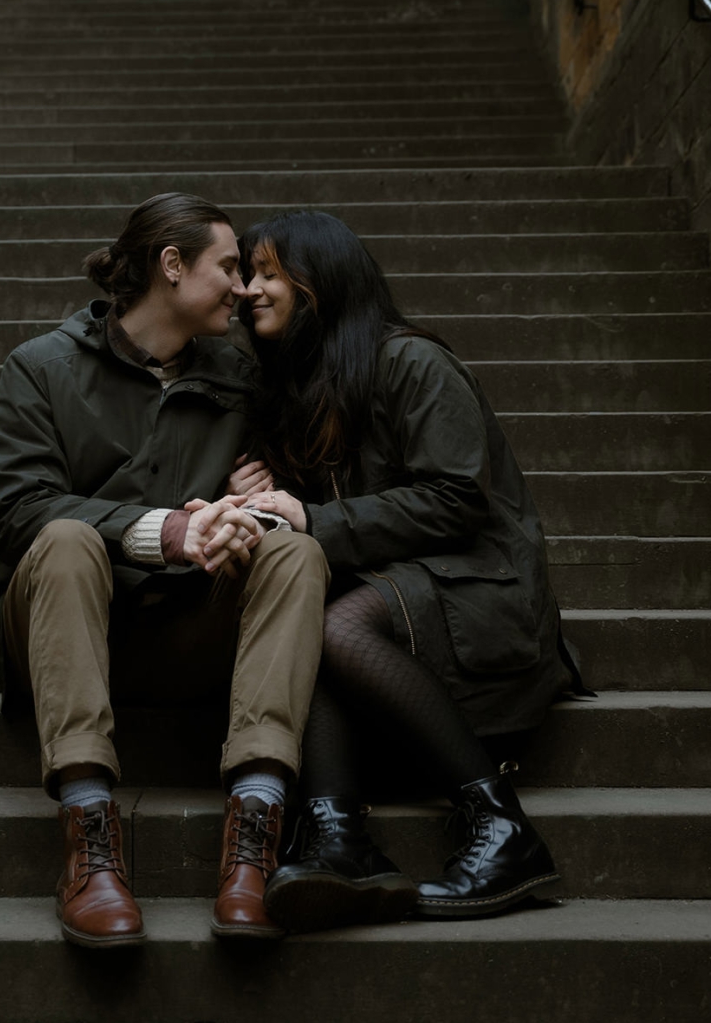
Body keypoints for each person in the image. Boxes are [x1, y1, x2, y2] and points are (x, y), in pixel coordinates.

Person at [0, 192, 329, 947]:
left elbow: (295, 492)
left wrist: (255, 511)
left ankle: (254, 839)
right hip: (65, 626)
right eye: (230, 267)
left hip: (189, 629)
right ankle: (90, 840)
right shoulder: (40, 368)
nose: (244, 288)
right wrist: (167, 531)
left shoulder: (241, 378)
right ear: (171, 267)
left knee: (295, 549)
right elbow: (14, 512)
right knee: (68, 538)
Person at [231, 209, 581, 932]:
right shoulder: (299, 392)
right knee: (309, 622)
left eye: (267, 273)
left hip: (480, 587)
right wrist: (259, 492)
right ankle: (336, 835)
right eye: (246, 273)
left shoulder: (413, 363)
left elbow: (456, 500)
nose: (248, 290)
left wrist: (313, 518)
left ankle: (500, 824)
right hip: (397, 591)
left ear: (320, 284)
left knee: (330, 627)